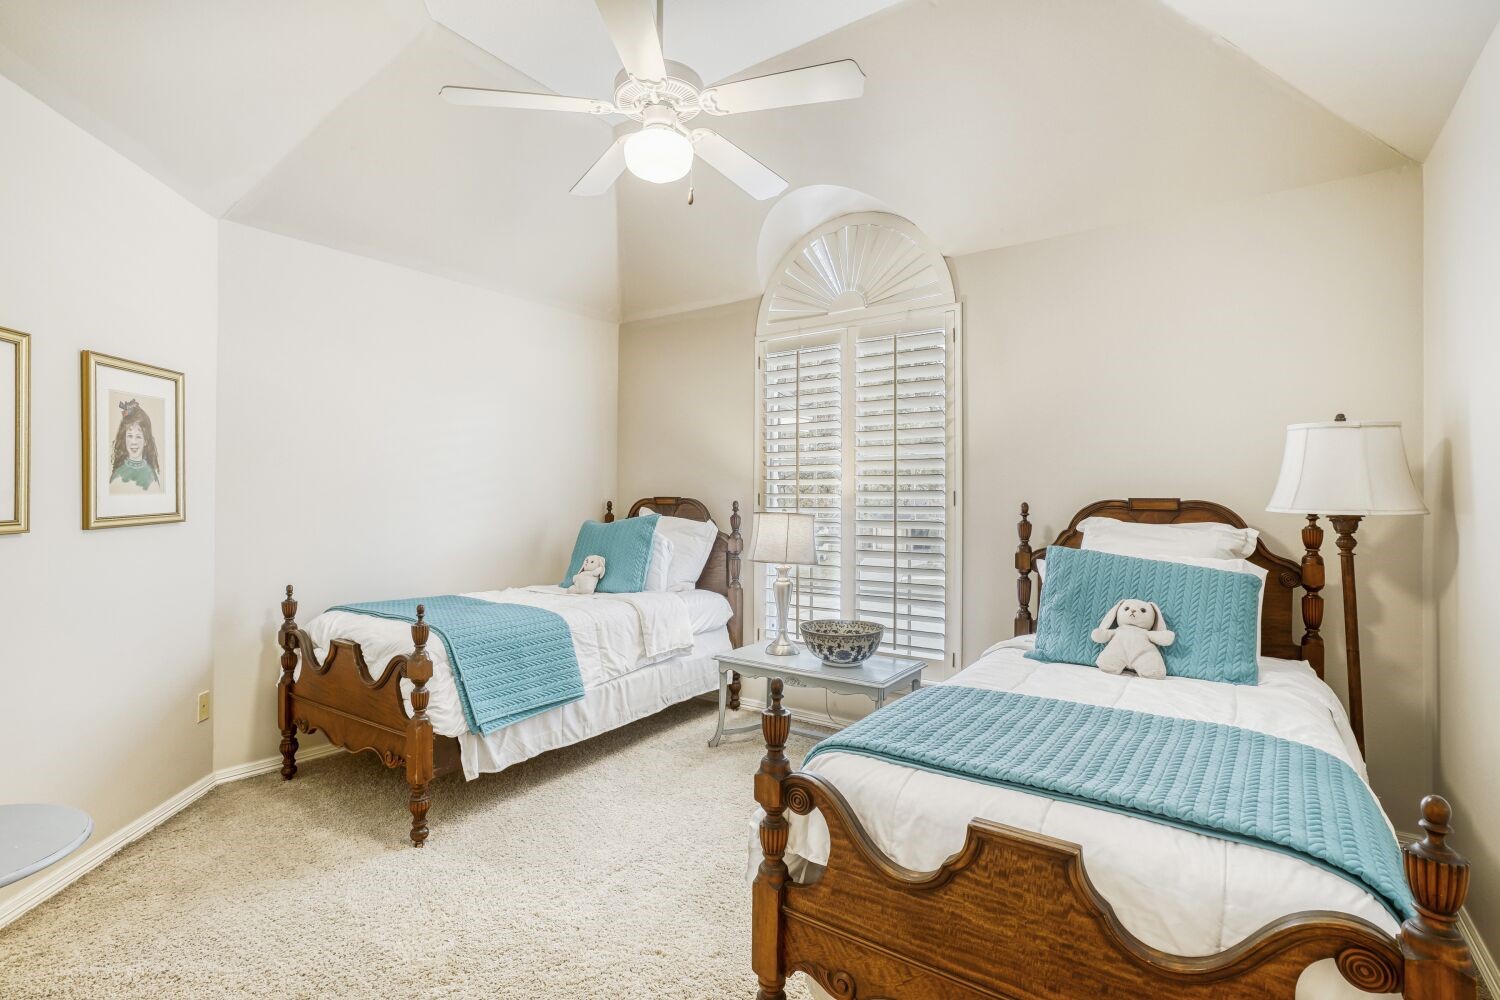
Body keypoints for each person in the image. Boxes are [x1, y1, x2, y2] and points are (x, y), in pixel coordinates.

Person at [109, 398, 161, 491]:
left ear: (146, 441)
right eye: (129, 435)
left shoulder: (151, 476)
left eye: (138, 437)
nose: (133, 442)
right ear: (124, 438)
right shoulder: (117, 475)